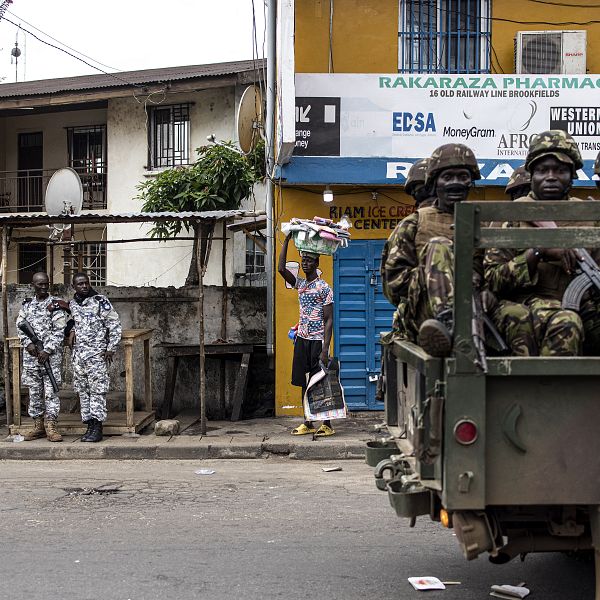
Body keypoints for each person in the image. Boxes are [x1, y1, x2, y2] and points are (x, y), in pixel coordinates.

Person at [382, 143, 536, 358]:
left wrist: (487, 290)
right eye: (448, 177)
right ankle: (452, 323)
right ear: (435, 182)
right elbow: (393, 287)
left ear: (470, 181)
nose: (455, 183)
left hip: (477, 304)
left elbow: (495, 270)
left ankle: (525, 382)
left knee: (518, 315)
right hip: (427, 316)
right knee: (439, 246)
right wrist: (437, 276)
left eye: (462, 176)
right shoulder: (414, 223)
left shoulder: (484, 222)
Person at [485, 130, 600, 356]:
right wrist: (538, 251)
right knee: (566, 323)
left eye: (560, 170)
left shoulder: (589, 215)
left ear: (572, 175)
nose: (550, 176)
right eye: (542, 170)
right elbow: (492, 280)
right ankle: (550, 390)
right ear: (531, 175)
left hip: (584, 306)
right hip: (525, 306)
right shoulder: (511, 216)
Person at [278, 233, 335, 437]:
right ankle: (308, 421)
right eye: (304, 260)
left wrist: (325, 349)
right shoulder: (300, 284)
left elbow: (329, 320)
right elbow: (281, 269)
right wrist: (286, 241)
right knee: (303, 383)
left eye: (310, 260)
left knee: (320, 383)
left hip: (317, 342)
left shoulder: (324, 288)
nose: (306, 263)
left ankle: (326, 424)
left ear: (317, 262)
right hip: (302, 340)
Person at [68, 272, 122, 442]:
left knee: (97, 391)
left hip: (96, 355)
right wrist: (71, 330)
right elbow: (71, 321)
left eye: (86, 283)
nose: (84, 286)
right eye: (80, 284)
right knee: (83, 392)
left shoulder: (100, 301)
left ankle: (98, 428)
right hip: (79, 357)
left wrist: (111, 348)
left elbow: (114, 324)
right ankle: (89, 426)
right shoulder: (73, 304)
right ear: (74, 287)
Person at [16, 272, 68, 442]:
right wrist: (28, 344)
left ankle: (51, 427)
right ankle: (38, 426)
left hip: (49, 358)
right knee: (34, 391)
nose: (44, 287)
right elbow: (20, 325)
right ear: (33, 285)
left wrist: (47, 350)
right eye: (40, 284)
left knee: (51, 391)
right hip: (32, 358)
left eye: (46, 284)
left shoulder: (56, 305)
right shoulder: (27, 305)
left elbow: (59, 331)